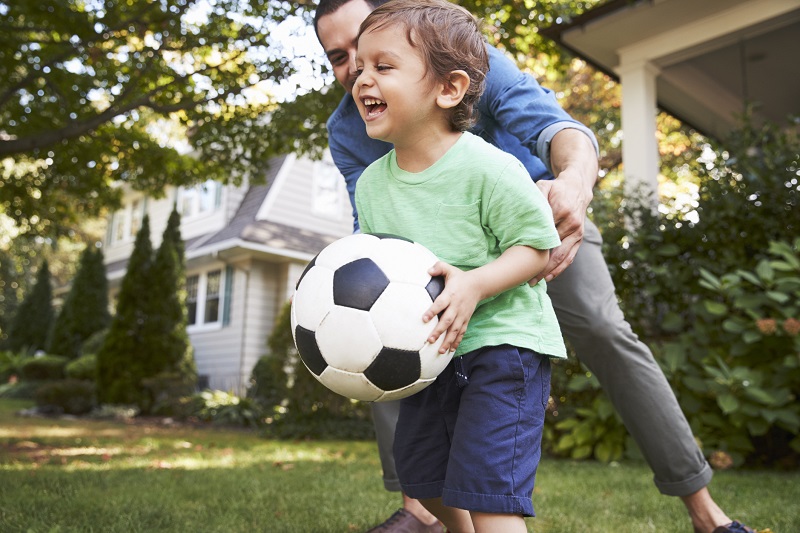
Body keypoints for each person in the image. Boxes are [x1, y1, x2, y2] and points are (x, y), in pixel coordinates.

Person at [313, 1, 756, 532]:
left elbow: (556, 128)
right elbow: (380, 252)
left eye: (366, 52)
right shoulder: (349, 130)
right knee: (381, 322)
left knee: (600, 328)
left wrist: (572, 184)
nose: (352, 72)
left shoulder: (459, 57)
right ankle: (422, 507)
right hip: (439, 258)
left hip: (537, 214)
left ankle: (704, 511)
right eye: (340, 58)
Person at [352, 2, 565, 531]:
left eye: (383, 66)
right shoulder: (372, 184)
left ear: (448, 89)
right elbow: (373, 266)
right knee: (425, 483)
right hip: (428, 357)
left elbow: (537, 249)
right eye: (359, 66)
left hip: (503, 349)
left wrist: (473, 285)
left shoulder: (490, 168)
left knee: (490, 497)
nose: (361, 80)